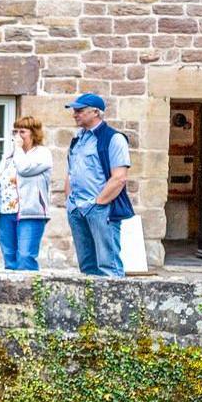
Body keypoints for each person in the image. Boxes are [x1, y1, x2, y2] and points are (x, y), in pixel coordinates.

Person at [63, 94, 131, 277]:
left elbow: (119, 178)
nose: (74, 114)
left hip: (101, 209)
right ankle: (90, 306)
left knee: (109, 266)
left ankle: (115, 305)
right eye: (74, 110)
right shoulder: (78, 138)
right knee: (87, 268)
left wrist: (97, 204)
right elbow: (71, 172)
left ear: (95, 112)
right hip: (77, 208)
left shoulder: (114, 139)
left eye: (79, 110)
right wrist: (70, 202)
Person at [0, 116, 54, 271]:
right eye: (14, 132)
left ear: (34, 133)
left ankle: (29, 295)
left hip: (30, 213)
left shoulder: (42, 154)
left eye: (22, 131)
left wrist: (17, 148)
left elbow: (24, 169)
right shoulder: (9, 156)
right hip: (5, 213)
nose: (17, 136)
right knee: (9, 259)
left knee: (25, 258)